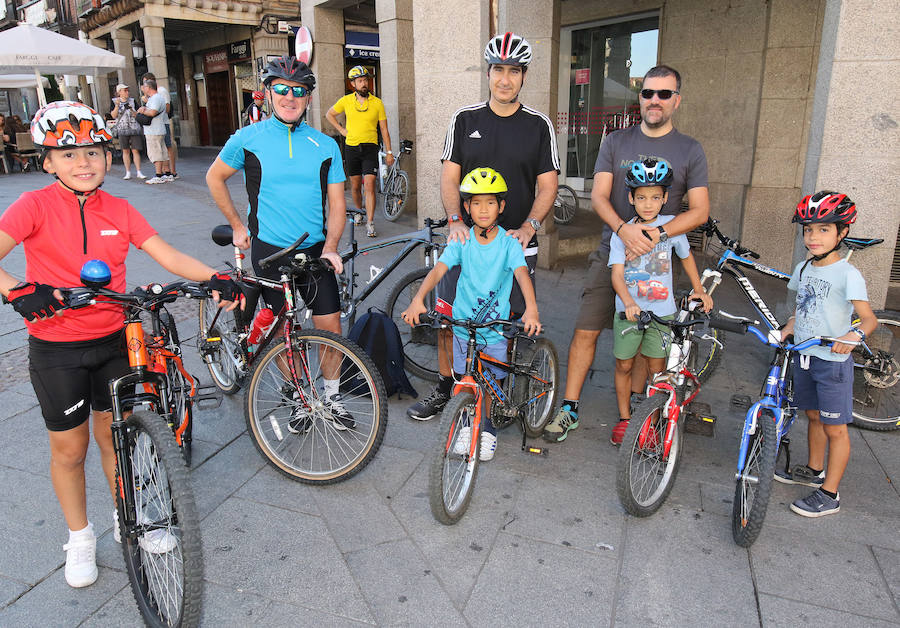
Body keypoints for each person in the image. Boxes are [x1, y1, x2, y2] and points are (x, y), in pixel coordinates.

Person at [0, 101, 241, 589]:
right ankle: (80, 537)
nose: (82, 163)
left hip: (115, 339)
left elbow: (166, 253)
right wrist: (18, 290)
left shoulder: (121, 209)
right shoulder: (34, 206)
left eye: (92, 151)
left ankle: (128, 516)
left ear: (108, 157)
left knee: (119, 436)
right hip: (57, 348)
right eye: (67, 155)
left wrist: (217, 276)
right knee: (70, 449)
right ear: (46, 162)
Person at [543, 64, 709, 443]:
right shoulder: (615, 141)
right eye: (648, 93)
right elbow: (599, 196)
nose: (655, 100)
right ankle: (569, 407)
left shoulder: (689, 149)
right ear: (640, 97)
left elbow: (699, 211)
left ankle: (636, 410)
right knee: (585, 329)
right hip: (612, 254)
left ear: (676, 100)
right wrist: (624, 229)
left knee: (644, 340)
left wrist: (656, 233)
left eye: (664, 94)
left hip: (659, 264)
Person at [406, 31, 559, 422]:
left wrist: (531, 226)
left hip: (513, 245)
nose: (504, 79)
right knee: (449, 318)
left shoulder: (539, 126)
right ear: (488, 73)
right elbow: (449, 176)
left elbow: (548, 185)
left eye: (513, 71)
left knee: (503, 323)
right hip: (467, 241)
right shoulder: (465, 119)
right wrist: (455, 219)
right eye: (497, 70)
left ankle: (493, 391)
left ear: (524, 76)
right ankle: (447, 388)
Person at [206, 55, 354, 430]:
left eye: (299, 91)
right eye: (282, 90)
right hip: (269, 251)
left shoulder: (326, 146)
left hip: (314, 251)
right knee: (284, 329)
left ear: (308, 98)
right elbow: (214, 177)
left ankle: (332, 399)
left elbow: (337, 204)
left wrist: (332, 245)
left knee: (330, 325)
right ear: (268, 93)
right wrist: (237, 225)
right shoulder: (248, 138)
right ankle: (296, 399)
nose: (290, 97)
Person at [401, 167, 540, 459]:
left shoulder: (507, 244)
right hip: (465, 326)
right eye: (476, 203)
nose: (483, 209)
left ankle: (487, 428)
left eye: (490, 202)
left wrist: (531, 309)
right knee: (467, 378)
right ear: (466, 207)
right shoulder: (462, 241)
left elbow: (522, 275)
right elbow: (439, 270)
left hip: (494, 328)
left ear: (501, 206)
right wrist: (419, 300)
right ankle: (468, 424)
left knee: (491, 380)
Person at [773, 191, 876, 517]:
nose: (813, 237)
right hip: (804, 356)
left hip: (832, 364)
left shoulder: (848, 274)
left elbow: (869, 319)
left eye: (823, 229)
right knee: (813, 416)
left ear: (842, 233)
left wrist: (853, 335)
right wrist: (789, 326)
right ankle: (814, 469)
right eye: (808, 230)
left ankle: (829, 494)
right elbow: (800, 310)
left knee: (836, 428)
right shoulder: (804, 268)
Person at [608, 158, 713, 444]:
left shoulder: (671, 227)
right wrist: (628, 301)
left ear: (665, 198)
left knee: (657, 369)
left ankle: (651, 421)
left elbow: (686, 256)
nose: (648, 203)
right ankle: (625, 419)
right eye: (641, 197)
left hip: (662, 313)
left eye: (655, 197)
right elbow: (617, 275)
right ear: (631, 198)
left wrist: (699, 289)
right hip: (628, 313)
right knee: (624, 366)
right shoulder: (624, 233)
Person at [325, 65, 394, 237]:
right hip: (351, 147)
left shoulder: (377, 103)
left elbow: (384, 129)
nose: (364, 83)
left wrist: (389, 151)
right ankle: (358, 211)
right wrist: (342, 131)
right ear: (353, 84)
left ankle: (370, 222)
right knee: (355, 186)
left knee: (369, 184)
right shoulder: (346, 101)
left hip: (370, 147)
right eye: (360, 81)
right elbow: (329, 114)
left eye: (366, 80)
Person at [141, 73, 178, 179]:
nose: (143, 87)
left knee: (165, 147)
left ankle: (169, 172)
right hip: (157, 125)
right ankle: (166, 172)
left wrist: (145, 108)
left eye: (145, 83)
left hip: (162, 123)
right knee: (162, 148)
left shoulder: (160, 92)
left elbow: (165, 109)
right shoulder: (154, 96)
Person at [109, 84, 146, 180]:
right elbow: (113, 115)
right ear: (119, 92)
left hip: (134, 128)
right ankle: (128, 172)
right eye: (124, 90)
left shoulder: (133, 101)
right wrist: (117, 105)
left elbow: (137, 114)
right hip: (122, 129)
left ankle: (138, 171)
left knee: (135, 150)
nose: (127, 92)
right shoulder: (114, 101)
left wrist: (131, 108)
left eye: (127, 90)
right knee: (125, 150)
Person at [137, 79, 170, 184]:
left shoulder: (155, 98)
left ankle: (158, 174)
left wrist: (143, 110)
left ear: (149, 87)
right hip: (158, 128)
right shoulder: (156, 98)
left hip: (154, 130)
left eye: (144, 87)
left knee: (156, 152)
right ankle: (167, 173)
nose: (143, 89)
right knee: (162, 151)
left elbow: (153, 112)